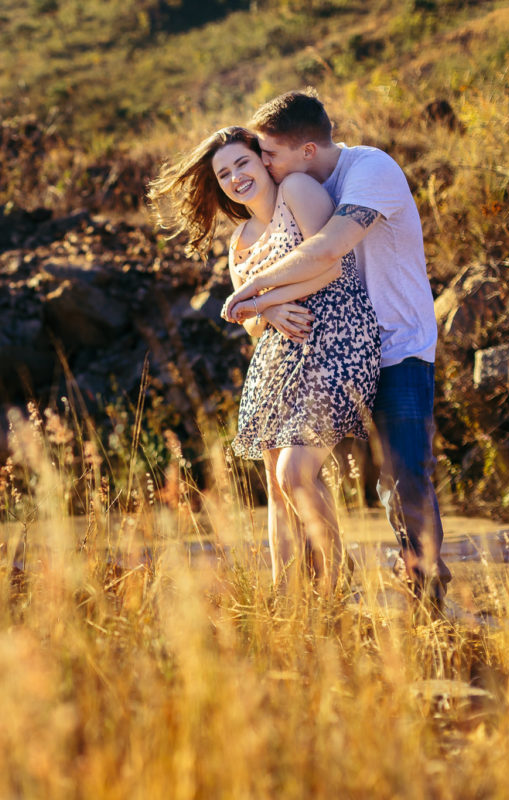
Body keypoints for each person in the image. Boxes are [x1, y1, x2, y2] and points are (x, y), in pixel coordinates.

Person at [222, 90, 451, 606]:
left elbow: (327, 251)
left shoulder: (370, 169)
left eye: (269, 154)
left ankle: (426, 589)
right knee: (294, 477)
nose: (265, 164)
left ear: (305, 151)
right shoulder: (289, 196)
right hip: (330, 349)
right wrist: (265, 306)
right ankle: (315, 589)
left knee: (403, 474)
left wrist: (250, 293)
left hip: (397, 342)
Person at [148, 126, 379, 593]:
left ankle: (337, 582)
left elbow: (332, 264)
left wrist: (257, 301)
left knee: (295, 471)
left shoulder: (297, 190)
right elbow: (251, 323)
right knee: (277, 486)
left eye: (242, 164)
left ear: (261, 160)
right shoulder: (239, 242)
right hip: (276, 359)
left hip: (336, 334)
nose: (236, 178)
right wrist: (267, 308)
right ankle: (287, 597)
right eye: (224, 174)